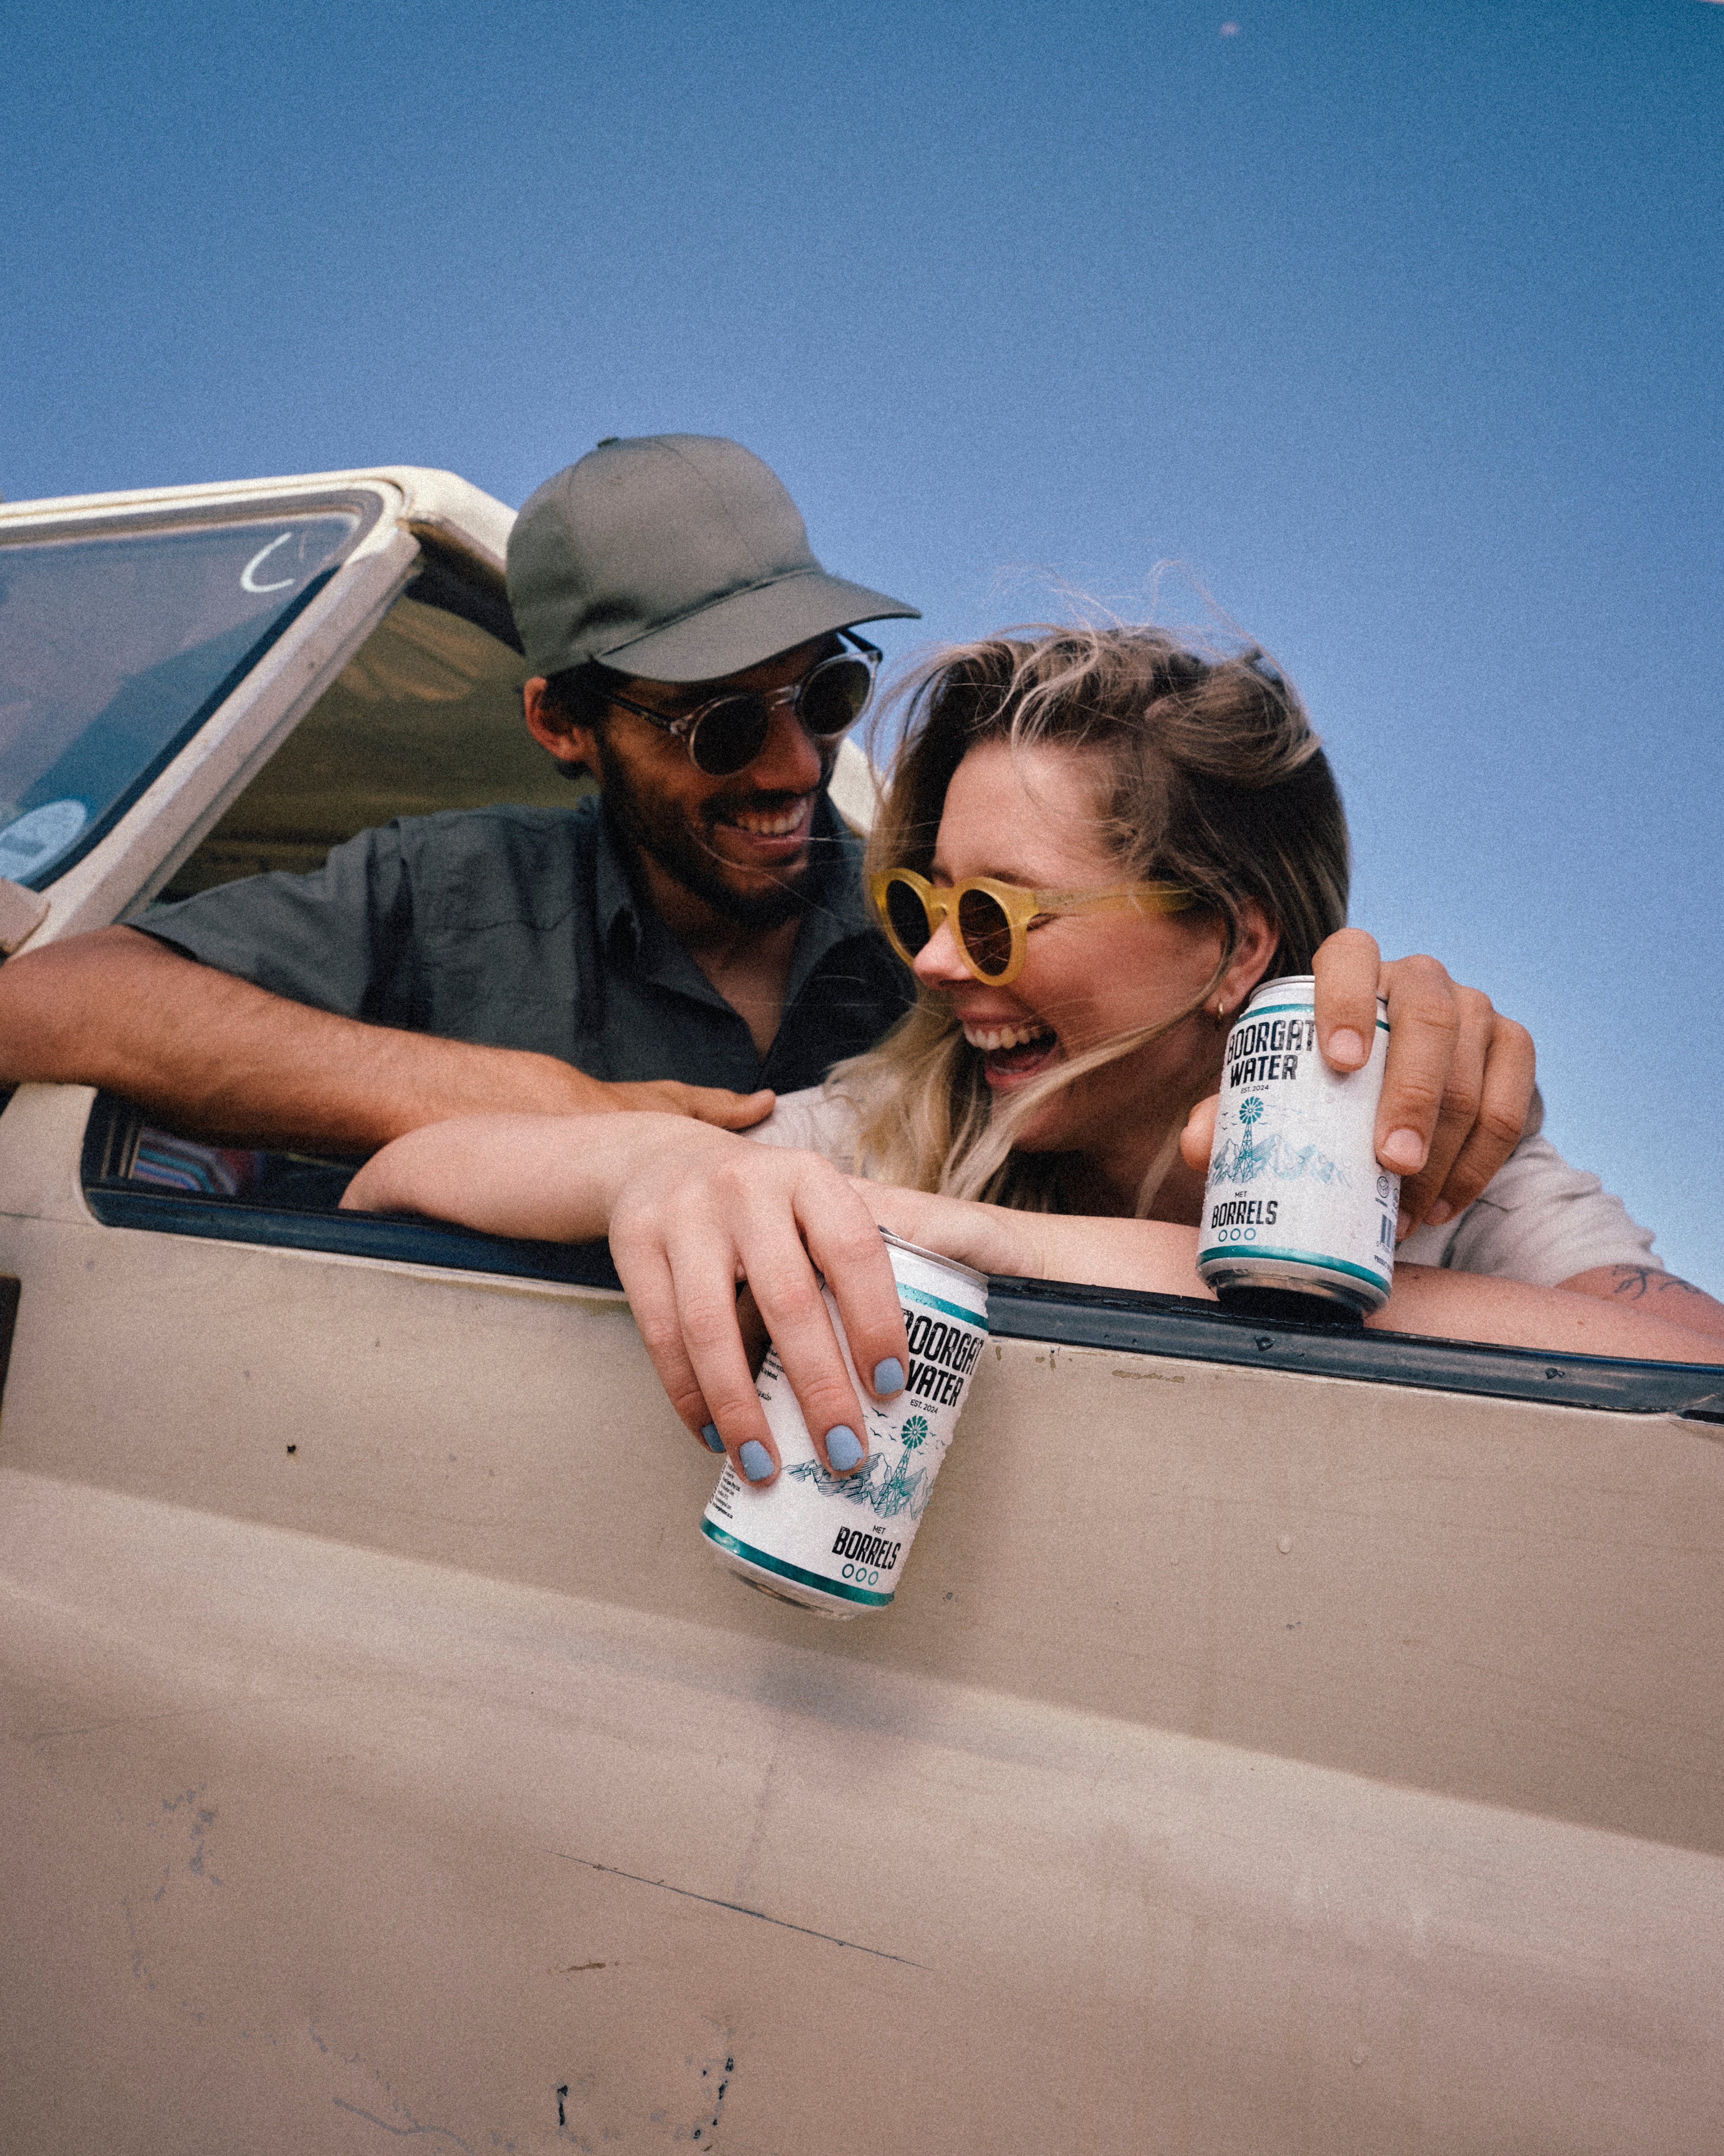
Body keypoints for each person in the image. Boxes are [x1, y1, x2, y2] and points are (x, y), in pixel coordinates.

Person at [0, 439, 1526, 1237]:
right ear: (563, 722)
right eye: (721, 724)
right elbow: (48, 998)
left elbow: (1183, 1015)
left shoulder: (928, 957)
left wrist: (1378, 1047)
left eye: (825, 693)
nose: (800, 766)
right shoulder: (452, 888)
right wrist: (544, 1106)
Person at [341, 623, 1724, 1491]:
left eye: (1000, 914)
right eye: (924, 905)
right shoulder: (910, 1115)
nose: (939, 964)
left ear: (1233, 943)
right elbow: (399, 1176)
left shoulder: (1414, 1145)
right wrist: (658, 1164)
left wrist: (1002, 1246)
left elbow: (1691, 1370)